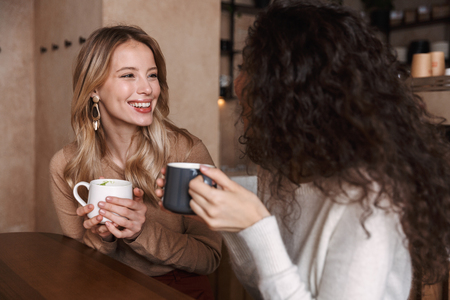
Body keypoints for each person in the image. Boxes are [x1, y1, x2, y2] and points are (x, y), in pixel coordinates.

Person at [157, 1, 450, 299]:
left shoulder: (370, 200)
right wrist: (230, 225)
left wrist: (257, 225)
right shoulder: (281, 171)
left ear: (292, 90)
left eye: (248, 69)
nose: (238, 85)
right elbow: (262, 289)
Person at [50, 25, 221, 300]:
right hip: (105, 289)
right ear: (94, 88)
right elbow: (79, 265)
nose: (147, 89)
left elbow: (209, 258)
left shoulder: (185, 152)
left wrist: (141, 232)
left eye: (152, 75)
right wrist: (105, 238)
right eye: (128, 75)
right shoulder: (67, 165)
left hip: (178, 288)